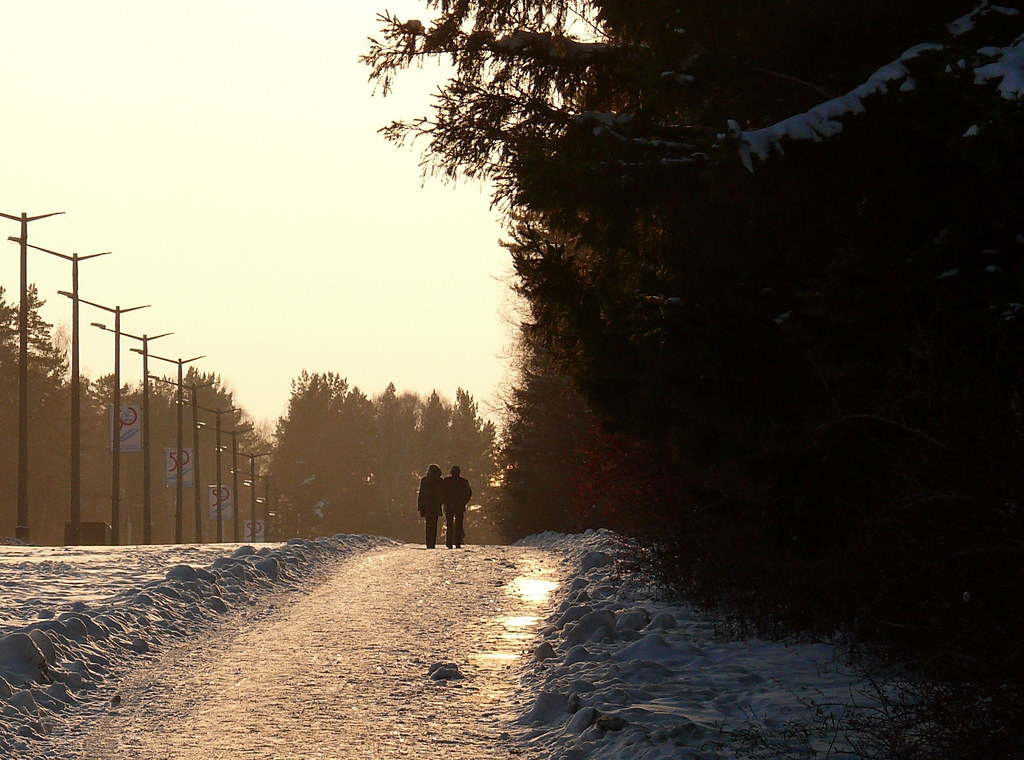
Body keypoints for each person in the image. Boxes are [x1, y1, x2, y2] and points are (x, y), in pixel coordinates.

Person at [441, 465, 472, 548]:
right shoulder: (463, 481)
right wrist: (464, 501)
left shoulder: (446, 481)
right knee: (459, 524)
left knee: (449, 524)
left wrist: (444, 502)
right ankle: (458, 542)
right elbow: (469, 493)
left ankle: (449, 542)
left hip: (449, 505)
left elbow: (441, 492)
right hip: (459, 506)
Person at [417, 464, 444, 549]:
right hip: (436, 504)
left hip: (427, 505)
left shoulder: (424, 480)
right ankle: (432, 543)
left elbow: (421, 493)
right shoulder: (440, 480)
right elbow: (443, 493)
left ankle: (429, 542)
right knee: (434, 525)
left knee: (428, 524)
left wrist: (420, 505)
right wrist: (443, 502)